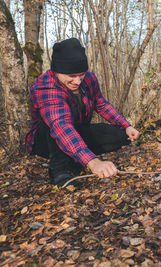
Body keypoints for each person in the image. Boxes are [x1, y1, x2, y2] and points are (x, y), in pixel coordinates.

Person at [26, 38, 139, 186]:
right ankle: (59, 170)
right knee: (60, 119)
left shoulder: (89, 78)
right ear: (57, 71)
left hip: (76, 130)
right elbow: (62, 128)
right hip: (45, 140)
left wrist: (126, 125)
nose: (78, 81)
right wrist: (93, 162)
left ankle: (75, 158)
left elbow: (101, 104)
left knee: (121, 136)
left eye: (81, 75)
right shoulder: (46, 87)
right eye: (71, 76)